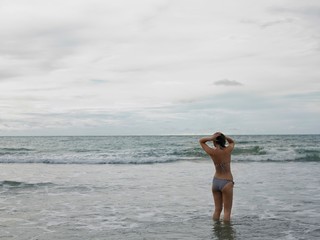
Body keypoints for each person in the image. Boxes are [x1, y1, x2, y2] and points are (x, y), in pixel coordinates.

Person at [199, 132, 235, 222]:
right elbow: (232, 142)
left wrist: (211, 138)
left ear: (214, 142)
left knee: (217, 209)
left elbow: (201, 141)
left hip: (216, 182)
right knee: (227, 211)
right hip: (227, 182)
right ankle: (227, 233)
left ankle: (216, 230)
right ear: (223, 141)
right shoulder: (228, 150)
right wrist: (223, 136)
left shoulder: (212, 152)